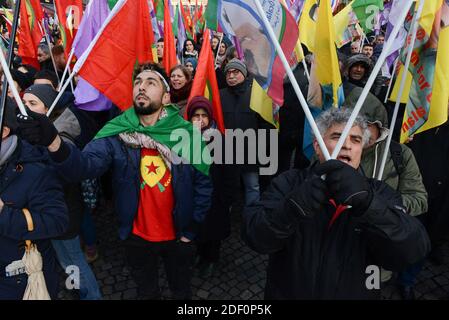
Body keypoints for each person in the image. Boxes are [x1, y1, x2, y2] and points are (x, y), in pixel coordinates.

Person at [17, 62, 213, 300]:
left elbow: (204, 185)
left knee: (181, 290)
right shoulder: (117, 132)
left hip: (178, 235)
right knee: (147, 291)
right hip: (137, 237)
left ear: (166, 97)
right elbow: (84, 166)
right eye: (138, 83)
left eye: (151, 83)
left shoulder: (187, 134)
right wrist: (54, 142)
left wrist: (190, 230)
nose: (142, 87)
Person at [243, 108, 431, 299]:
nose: (347, 145)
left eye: (355, 140)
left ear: (361, 149)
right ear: (317, 145)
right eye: (337, 137)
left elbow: (412, 250)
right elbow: (255, 237)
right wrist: (291, 209)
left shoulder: (380, 192)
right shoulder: (289, 183)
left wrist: (369, 205)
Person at [22, 84, 102, 300]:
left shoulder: (61, 135)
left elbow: (62, 171)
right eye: (24, 102)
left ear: (49, 108)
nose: (25, 107)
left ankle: (91, 295)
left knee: (73, 259)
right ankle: (76, 288)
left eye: (32, 103)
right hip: (49, 214)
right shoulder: (33, 131)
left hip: (64, 212)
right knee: (65, 261)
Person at [0, 100, 68, 299]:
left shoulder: (35, 169)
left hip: (20, 284)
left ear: (4, 131)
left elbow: (58, 221)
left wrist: (4, 214)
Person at [186, 96, 231, 278]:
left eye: (204, 115)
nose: (200, 120)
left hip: (216, 196)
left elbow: (230, 173)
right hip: (194, 195)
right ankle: (200, 253)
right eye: (196, 116)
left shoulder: (220, 140)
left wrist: (227, 198)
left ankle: (211, 259)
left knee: (213, 231)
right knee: (198, 227)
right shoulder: (184, 140)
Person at [220, 59, 274, 207]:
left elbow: (266, 124)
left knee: (252, 186)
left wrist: (262, 149)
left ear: (244, 74)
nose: (231, 76)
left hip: (251, 152)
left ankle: (252, 216)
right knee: (229, 186)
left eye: (235, 72)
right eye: (228, 73)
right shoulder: (220, 96)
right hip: (227, 152)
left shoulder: (257, 94)